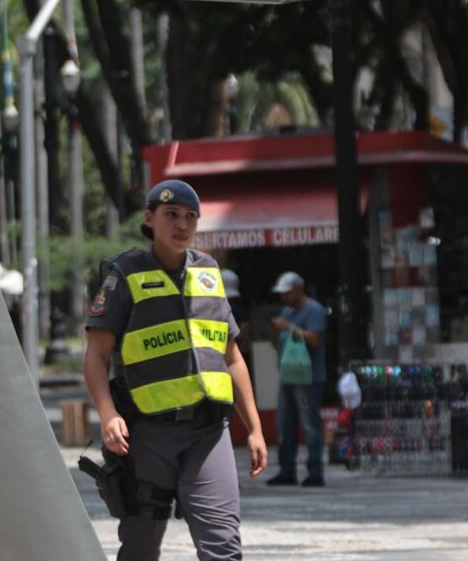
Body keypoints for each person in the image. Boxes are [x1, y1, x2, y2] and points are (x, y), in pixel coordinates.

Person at [83, 179, 266, 560]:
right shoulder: (124, 274)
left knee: (223, 548)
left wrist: (255, 428)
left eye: (190, 217)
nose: (182, 224)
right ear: (150, 219)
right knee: (140, 548)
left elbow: (232, 357)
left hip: (209, 433)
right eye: (171, 215)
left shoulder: (208, 272)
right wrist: (107, 413)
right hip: (148, 436)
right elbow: (96, 356)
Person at [265, 271, 328, 488]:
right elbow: (279, 342)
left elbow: (315, 338)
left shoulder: (314, 310)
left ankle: (315, 471)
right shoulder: (287, 311)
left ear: (299, 289)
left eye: (287, 292)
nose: (284, 297)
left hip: (308, 377)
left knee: (310, 424)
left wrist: (288, 327)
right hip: (288, 375)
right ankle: (286, 470)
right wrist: (274, 331)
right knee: (285, 423)